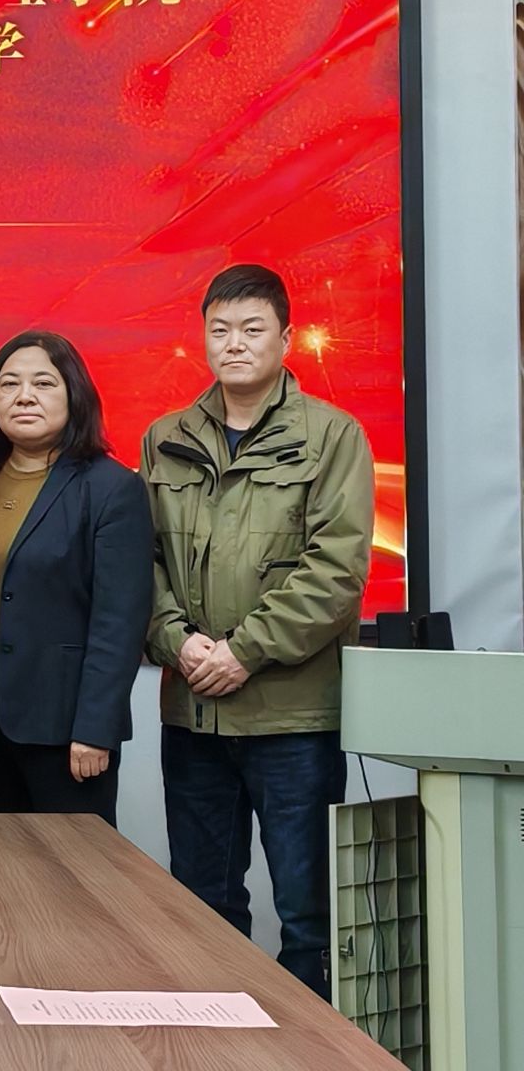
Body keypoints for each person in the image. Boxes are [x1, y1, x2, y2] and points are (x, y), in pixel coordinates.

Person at [144, 264, 373, 997]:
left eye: (251, 329)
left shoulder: (331, 436)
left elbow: (336, 572)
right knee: (201, 908)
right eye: (220, 330)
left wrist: (244, 651)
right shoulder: (165, 438)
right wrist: (177, 640)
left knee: (310, 917)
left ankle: (311, 1046)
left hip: (294, 723)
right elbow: (140, 565)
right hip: (194, 717)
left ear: (285, 337)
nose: (234, 344)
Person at [0, 331, 154, 825]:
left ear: (74, 395)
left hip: (65, 726)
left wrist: (95, 728)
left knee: (74, 867)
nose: (24, 396)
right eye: (9, 384)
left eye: (43, 383)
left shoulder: (112, 488)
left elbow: (119, 623)